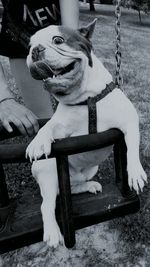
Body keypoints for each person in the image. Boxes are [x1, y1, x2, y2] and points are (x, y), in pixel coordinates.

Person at [0, 0, 79, 136]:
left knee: (80, 115)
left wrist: (71, 54)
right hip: (20, 42)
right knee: (42, 123)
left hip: (59, 34)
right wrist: (3, 98)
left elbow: (70, 31)